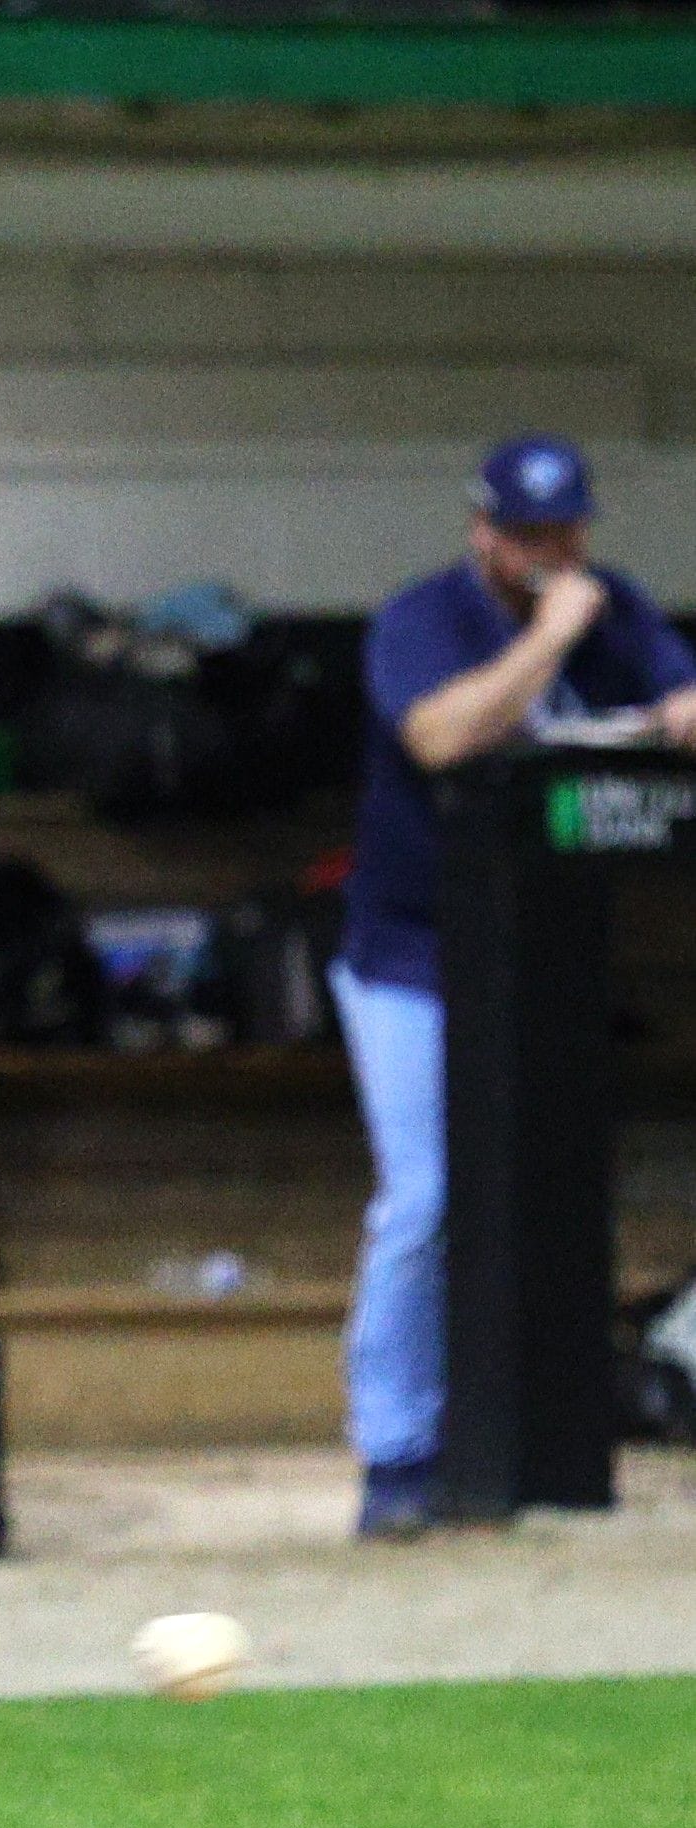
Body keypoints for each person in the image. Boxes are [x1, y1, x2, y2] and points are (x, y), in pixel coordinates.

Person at [338, 435, 696, 1538]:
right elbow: (439, 736)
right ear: (481, 530)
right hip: (405, 960)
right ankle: (393, 1452)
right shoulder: (419, 618)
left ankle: (532, 1443)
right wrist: (544, 643)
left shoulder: (613, 605)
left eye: (565, 531)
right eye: (527, 534)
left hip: (540, 966)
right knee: (426, 1203)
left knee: (547, 1201)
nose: (550, 553)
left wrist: (664, 713)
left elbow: (681, 700)